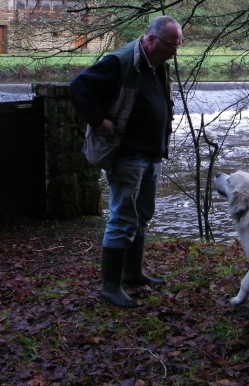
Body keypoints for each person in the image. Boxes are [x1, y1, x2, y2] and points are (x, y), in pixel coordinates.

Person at [69, 15, 183, 308]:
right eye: (171, 46)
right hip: (127, 154)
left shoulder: (158, 64)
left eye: (177, 47)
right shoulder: (119, 62)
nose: (174, 53)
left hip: (151, 154)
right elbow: (79, 87)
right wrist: (99, 121)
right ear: (152, 40)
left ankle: (133, 273)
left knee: (142, 215)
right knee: (122, 218)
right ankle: (111, 287)